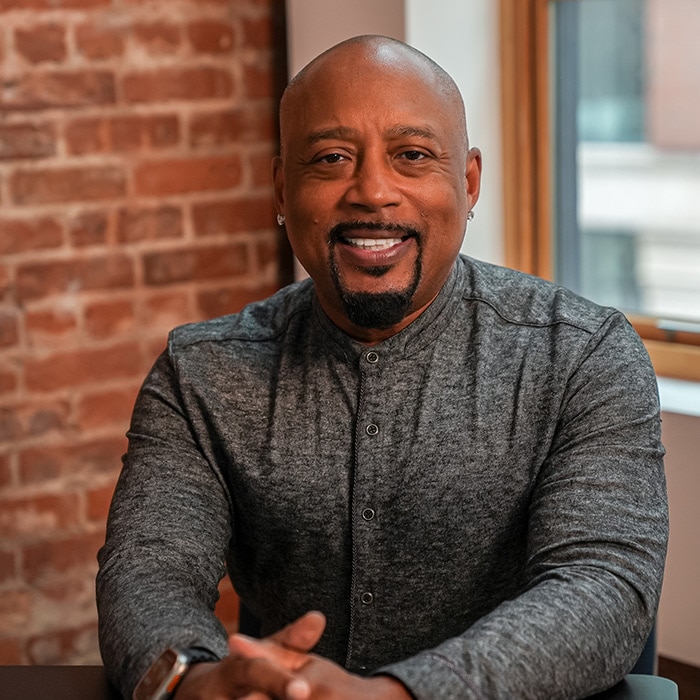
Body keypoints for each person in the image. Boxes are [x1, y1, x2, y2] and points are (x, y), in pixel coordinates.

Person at [96, 35, 668, 700]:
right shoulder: (198, 374)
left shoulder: (584, 355)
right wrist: (192, 683)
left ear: (469, 181)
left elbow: (602, 588)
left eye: (412, 156)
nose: (372, 190)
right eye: (332, 158)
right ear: (284, 188)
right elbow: (146, 575)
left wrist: (402, 694)